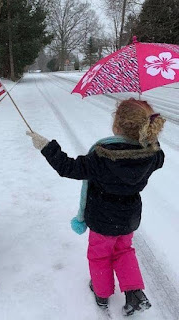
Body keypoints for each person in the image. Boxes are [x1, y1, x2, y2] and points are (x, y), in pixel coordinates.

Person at [26, 98, 165, 316]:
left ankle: (101, 293)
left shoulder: (102, 157)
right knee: (124, 250)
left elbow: (68, 167)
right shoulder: (152, 154)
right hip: (129, 217)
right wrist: (148, 139)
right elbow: (159, 155)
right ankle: (135, 293)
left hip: (102, 219)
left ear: (117, 126)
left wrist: (46, 147)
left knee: (100, 256)